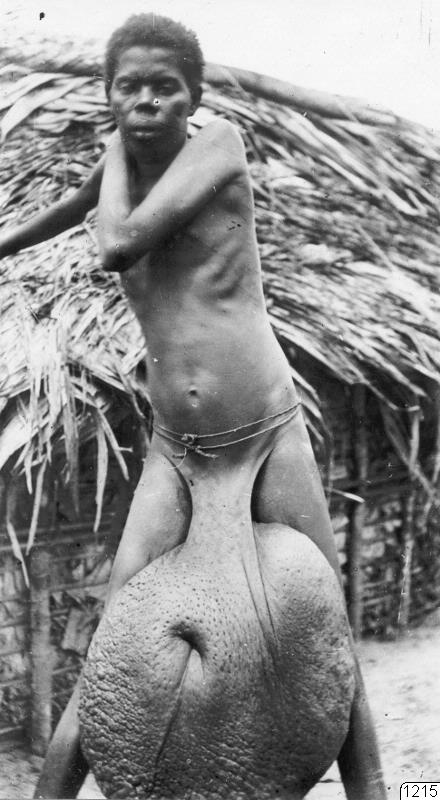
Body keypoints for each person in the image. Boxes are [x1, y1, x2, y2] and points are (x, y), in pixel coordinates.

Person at [0, 14, 386, 800]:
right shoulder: (119, 171)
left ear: (195, 97)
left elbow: (116, 243)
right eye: (128, 88)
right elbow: (77, 209)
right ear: (108, 94)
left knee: (329, 633)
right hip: (176, 448)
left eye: (164, 88)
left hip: (266, 434)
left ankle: (374, 789)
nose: (146, 102)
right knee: (108, 642)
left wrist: (114, 147)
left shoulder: (221, 145)